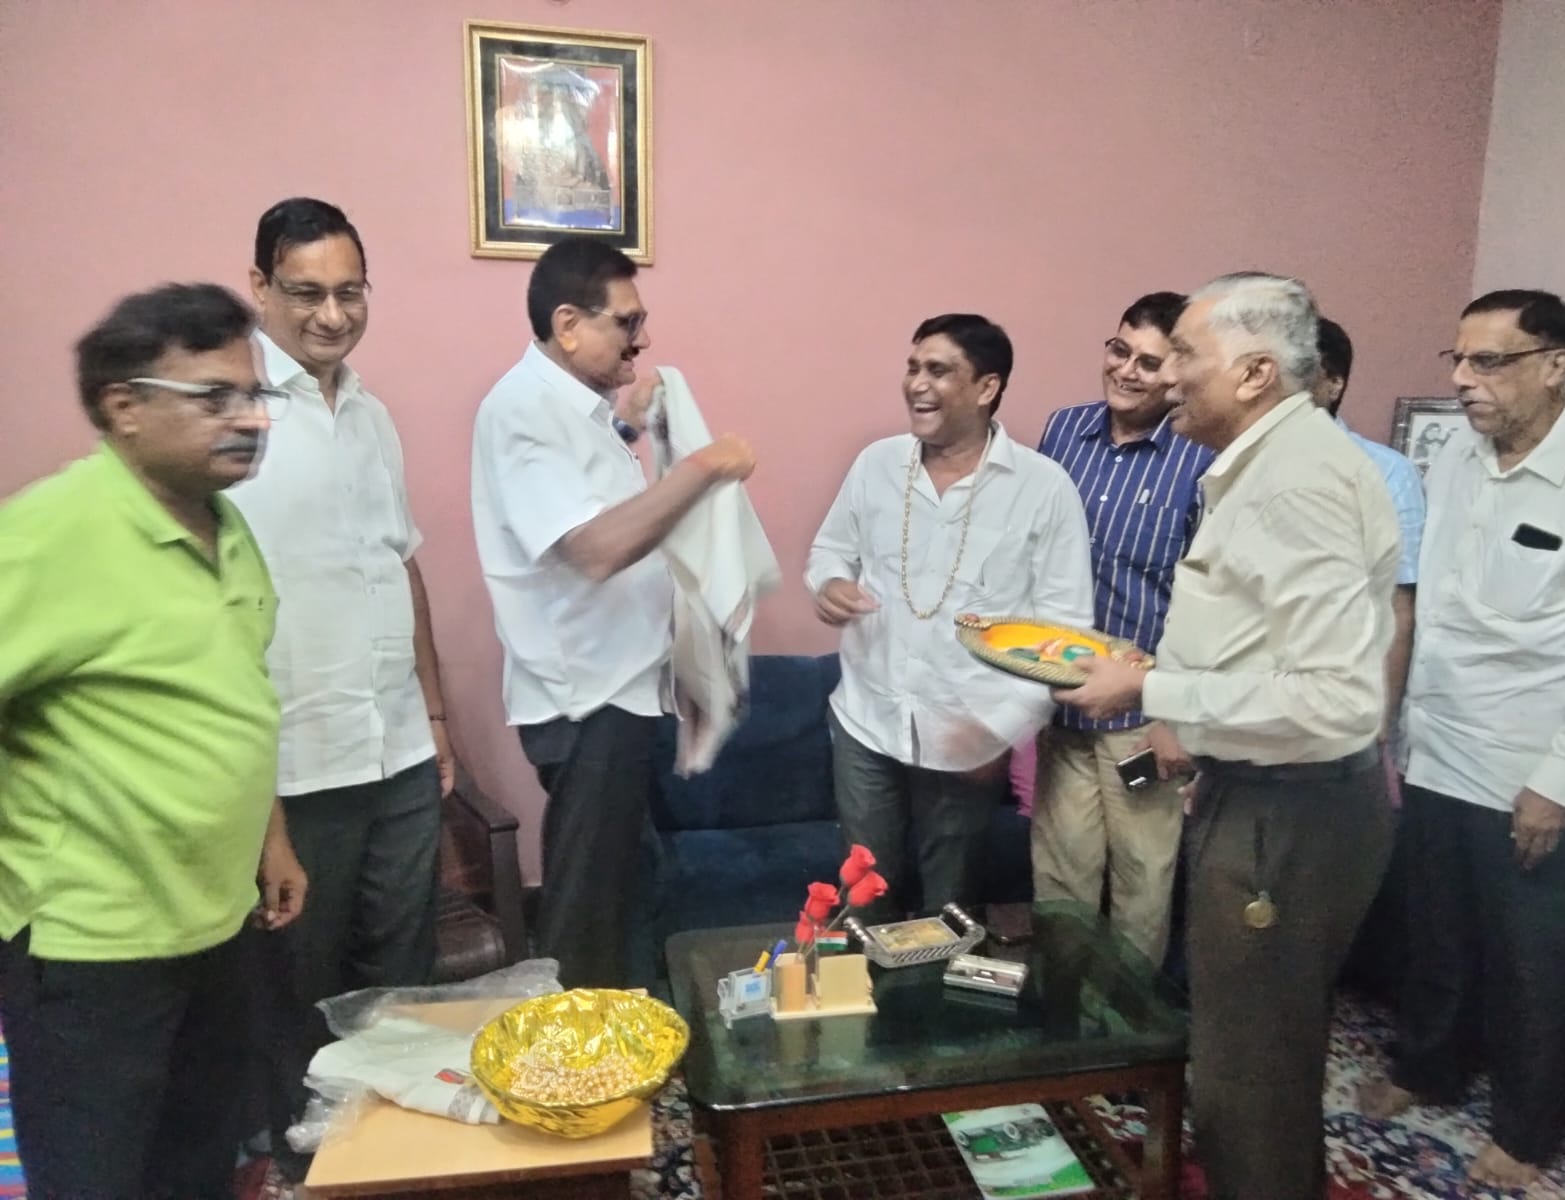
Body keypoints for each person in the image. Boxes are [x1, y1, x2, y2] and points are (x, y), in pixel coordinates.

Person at [1060, 273, 1399, 1200]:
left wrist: (1153, 687)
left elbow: (1339, 699)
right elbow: (1264, 646)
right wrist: (1177, 693)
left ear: (1254, 373)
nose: (1165, 375)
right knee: (1253, 1058)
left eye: (1184, 356)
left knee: (1249, 1076)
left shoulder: (1297, 482)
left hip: (1293, 815)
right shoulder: (1266, 465)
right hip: (1260, 793)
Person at [0, 283, 304, 1199]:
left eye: (255, 394)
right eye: (215, 398)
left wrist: (271, 837)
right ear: (123, 406)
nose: (251, 418)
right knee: (98, 1178)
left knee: (196, 1166)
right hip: (93, 948)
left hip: (216, 925)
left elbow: (233, 696)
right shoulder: (50, 536)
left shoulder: (224, 524)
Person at [225, 197, 454, 1167]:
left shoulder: (370, 414)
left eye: (349, 292)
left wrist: (436, 715)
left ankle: (389, 1156)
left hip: (395, 747)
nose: (331, 314)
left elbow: (401, 565)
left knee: (400, 976)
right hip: (296, 759)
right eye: (306, 292)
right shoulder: (231, 414)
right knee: (299, 985)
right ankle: (307, 1164)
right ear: (260, 288)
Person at [1358, 289, 1565, 1191]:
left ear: (1555, 365)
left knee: (1532, 962)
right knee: (1436, 934)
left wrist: (1558, 782)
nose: (1464, 379)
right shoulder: (1457, 455)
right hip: (1437, 743)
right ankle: (1428, 1068)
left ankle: (1528, 1131)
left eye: (1489, 361)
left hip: (1531, 765)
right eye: (1457, 359)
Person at [471, 236, 755, 988]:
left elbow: (587, 496)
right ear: (568, 325)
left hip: (619, 690)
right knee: (586, 916)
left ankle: (628, 1032)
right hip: (585, 699)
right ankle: (572, 1048)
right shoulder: (524, 409)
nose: (642, 338)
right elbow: (594, 549)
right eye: (627, 322)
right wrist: (703, 467)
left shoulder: (576, 410)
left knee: (630, 892)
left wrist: (634, 428)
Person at [806, 314, 1095, 925]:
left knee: (947, 911)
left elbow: (1064, 634)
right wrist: (828, 584)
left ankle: (933, 988)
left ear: (987, 387)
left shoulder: (1043, 488)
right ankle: (865, 986)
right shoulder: (877, 464)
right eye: (913, 367)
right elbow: (832, 549)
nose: (917, 384)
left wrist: (1002, 727)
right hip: (867, 719)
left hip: (968, 735)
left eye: (938, 370)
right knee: (864, 896)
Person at [1032, 292, 1212, 965]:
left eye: (1149, 362)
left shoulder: (1201, 456)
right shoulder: (1063, 432)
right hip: (1064, 702)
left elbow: (1207, 598)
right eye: (1119, 350)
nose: (1127, 371)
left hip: (1142, 719)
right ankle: (1062, 1011)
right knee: (1060, 876)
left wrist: (1175, 716)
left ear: (1178, 372)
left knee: (1141, 880)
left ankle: (1130, 1021)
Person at [1311, 316, 1424, 742]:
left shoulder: (1386, 473)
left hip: (1340, 704)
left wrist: (1379, 724)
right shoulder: (1237, 464)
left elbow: (1398, 606)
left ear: (1333, 384)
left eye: (1299, 371)